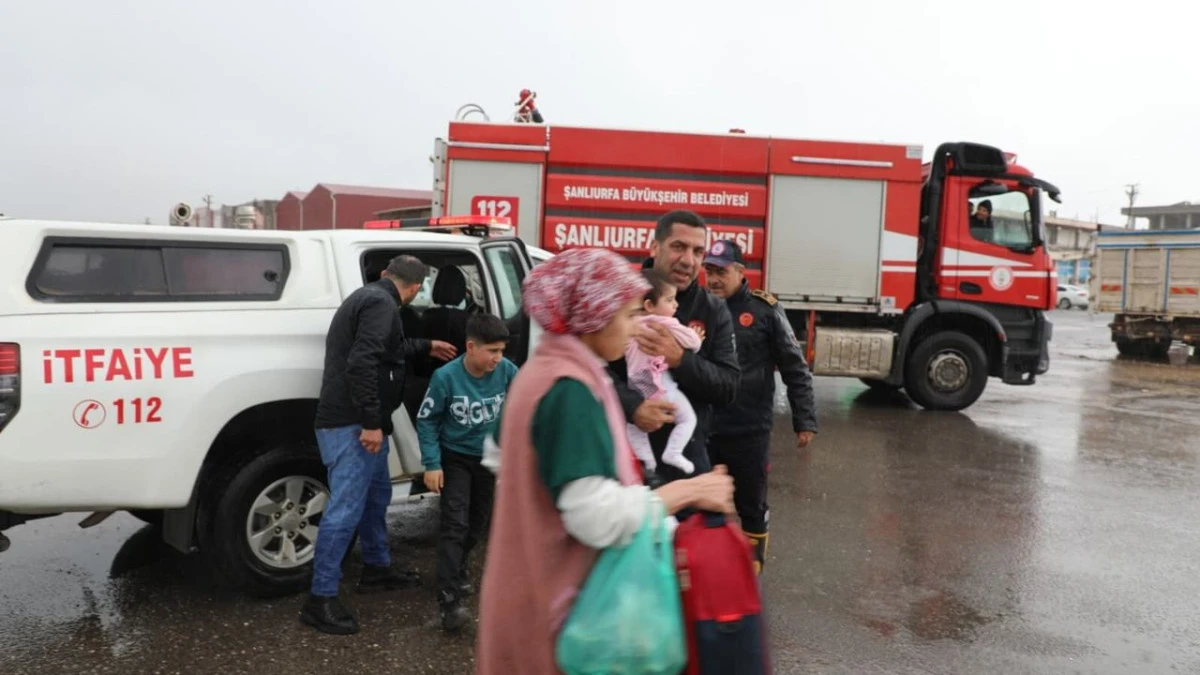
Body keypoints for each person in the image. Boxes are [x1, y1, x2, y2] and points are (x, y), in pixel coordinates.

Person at [475, 247, 736, 674]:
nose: (636, 326)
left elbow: (498, 457)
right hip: (564, 618)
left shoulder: (540, 372)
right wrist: (687, 492)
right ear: (593, 316)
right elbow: (595, 518)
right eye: (629, 314)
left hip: (522, 589)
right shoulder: (570, 389)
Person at [301, 254, 457, 636]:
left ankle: (376, 568)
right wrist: (370, 423)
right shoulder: (381, 303)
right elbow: (362, 362)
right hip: (352, 425)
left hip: (362, 424)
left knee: (376, 497)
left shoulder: (372, 297)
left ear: (387, 273)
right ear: (415, 288)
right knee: (345, 510)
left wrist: (425, 346)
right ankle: (319, 600)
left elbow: (388, 349)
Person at [703, 239, 818, 575]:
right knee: (703, 501)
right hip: (706, 428)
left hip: (749, 430)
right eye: (709, 271)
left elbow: (795, 367)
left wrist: (804, 419)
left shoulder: (764, 310)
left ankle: (750, 575)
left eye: (721, 272)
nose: (714, 279)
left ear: (741, 272)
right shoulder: (700, 307)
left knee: (751, 505)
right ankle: (708, 572)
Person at [608, 209, 740, 485]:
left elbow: (728, 386)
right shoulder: (619, 297)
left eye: (698, 251)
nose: (688, 260)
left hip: (687, 460)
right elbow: (593, 369)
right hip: (623, 459)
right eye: (679, 247)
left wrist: (681, 359)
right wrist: (633, 407)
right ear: (655, 247)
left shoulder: (713, 310)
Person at [416, 313, 518, 633]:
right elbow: (428, 420)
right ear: (471, 347)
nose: (497, 358)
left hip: (488, 460)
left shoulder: (507, 371)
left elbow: (524, 406)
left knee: (477, 524)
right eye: (492, 351)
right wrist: (432, 464)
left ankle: (457, 567)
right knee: (455, 524)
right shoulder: (445, 377)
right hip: (455, 459)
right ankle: (449, 600)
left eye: (501, 351)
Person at [624, 268, 702, 474]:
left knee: (634, 424)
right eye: (669, 300)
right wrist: (696, 337)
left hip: (636, 382)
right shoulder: (665, 323)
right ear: (649, 305)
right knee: (688, 418)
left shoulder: (631, 323)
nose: (676, 304)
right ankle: (673, 452)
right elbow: (692, 343)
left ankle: (647, 461)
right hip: (659, 383)